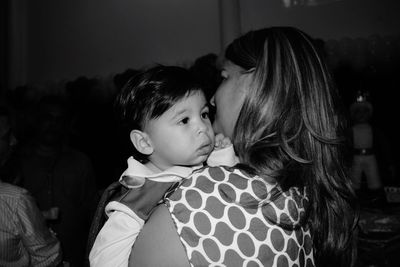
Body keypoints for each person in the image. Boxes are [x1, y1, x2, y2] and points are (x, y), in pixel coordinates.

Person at [129, 27, 358, 267]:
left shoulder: (200, 203)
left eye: (225, 77)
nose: (214, 98)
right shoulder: (304, 192)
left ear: (259, 85)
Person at [89, 65, 238, 267]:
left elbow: (232, 192)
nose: (203, 128)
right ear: (144, 142)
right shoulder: (137, 196)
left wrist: (223, 155)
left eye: (203, 114)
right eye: (184, 120)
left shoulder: (203, 164)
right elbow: (105, 259)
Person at [17, 95, 98, 267]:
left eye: (59, 119)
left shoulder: (79, 162)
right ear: (37, 121)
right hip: (30, 256)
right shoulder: (19, 160)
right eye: (48, 118)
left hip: (73, 252)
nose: (53, 124)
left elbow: (92, 210)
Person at [0, 106, 63, 266]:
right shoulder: (14, 194)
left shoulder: (79, 162)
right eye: (7, 136)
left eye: (58, 119)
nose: (13, 141)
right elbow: (47, 259)